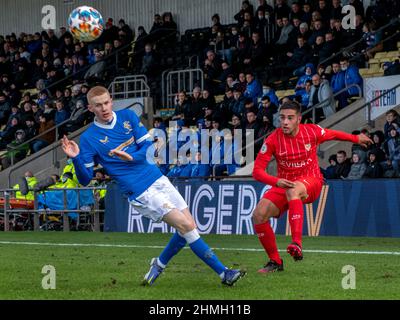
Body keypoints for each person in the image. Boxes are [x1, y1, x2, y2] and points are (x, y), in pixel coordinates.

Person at [61, 86, 245, 286]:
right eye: (98, 105)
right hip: (140, 191)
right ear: (90, 108)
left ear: (111, 101)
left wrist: (131, 156)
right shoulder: (89, 138)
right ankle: (224, 273)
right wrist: (77, 158)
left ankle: (159, 263)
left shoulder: (128, 116)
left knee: (188, 229)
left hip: (158, 179)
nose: (104, 108)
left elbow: (149, 147)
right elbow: (85, 179)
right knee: (187, 226)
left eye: (106, 103)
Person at [252, 101, 372, 272]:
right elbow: (257, 171)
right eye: (282, 118)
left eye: (290, 118)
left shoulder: (311, 131)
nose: (285, 122)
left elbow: (333, 134)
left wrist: (355, 138)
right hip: (284, 183)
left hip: (311, 181)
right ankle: (275, 262)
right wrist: (276, 181)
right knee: (258, 215)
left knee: (294, 190)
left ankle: (297, 243)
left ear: (299, 119)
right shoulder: (273, 139)